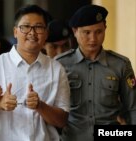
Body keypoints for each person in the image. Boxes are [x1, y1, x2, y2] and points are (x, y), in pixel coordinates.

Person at [0, 4, 70, 141]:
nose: (32, 32)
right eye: (25, 27)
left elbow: (62, 121)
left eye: (38, 27)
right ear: (15, 32)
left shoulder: (57, 69)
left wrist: (40, 106)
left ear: (46, 33)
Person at [55, 5, 136, 141]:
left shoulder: (120, 64)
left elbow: (133, 109)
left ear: (105, 28)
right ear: (75, 31)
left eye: (98, 32)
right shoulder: (60, 64)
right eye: (86, 32)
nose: (93, 38)